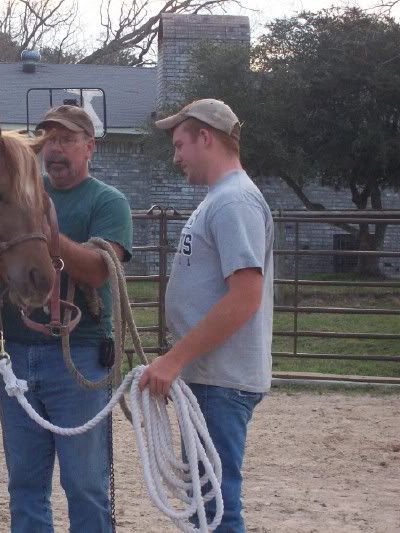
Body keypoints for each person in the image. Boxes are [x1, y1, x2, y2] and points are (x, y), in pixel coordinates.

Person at [0, 104, 133, 533]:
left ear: (90, 147)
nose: (55, 149)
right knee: (24, 482)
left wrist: (47, 234)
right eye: (49, 140)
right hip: (16, 352)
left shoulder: (108, 202)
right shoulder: (22, 194)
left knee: (86, 484)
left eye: (67, 140)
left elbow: (98, 269)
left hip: (80, 357)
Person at [140, 99, 273, 532]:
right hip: (211, 378)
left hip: (222, 381)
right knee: (206, 501)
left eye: (180, 144)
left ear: (205, 138)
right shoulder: (222, 199)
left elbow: (245, 297)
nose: (176, 156)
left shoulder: (234, 202)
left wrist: (175, 359)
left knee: (215, 506)